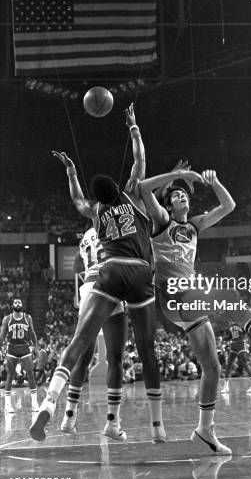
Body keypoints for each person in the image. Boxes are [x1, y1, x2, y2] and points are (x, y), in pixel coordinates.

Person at [139, 167, 251, 456]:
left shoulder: (194, 226)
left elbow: (229, 206)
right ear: (169, 205)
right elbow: (143, 187)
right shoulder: (162, 221)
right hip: (171, 296)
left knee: (213, 368)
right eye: (176, 195)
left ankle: (205, 431)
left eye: (184, 194)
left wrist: (215, 182)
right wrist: (178, 173)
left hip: (191, 300)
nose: (182, 196)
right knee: (227, 293)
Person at [30, 104, 165, 442]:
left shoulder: (94, 211)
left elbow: (76, 199)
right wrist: (134, 129)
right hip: (136, 272)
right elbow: (140, 162)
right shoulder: (130, 195)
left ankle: (52, 402)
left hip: (101, 276)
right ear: (117, 188)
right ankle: (153, 427)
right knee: (138, 351)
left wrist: (72, 172)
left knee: (80, 345)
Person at [59, 225, 128, 441]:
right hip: (109, 285)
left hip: (87, 288)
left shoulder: (86, 237)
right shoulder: (117, 226)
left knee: (83, 357)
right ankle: (113, 422)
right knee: (115, 359)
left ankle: (69, 416)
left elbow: (78, 267)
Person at [0, 298, 39, 413]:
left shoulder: (28, 318)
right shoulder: (7, 318)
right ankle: (7, 405)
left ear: (22, 305)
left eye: (19, 302)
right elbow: (2, 335)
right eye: (15, 302)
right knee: (10, 376)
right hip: (11, 348)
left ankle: (34, 404)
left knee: (30, 374)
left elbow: (32, 333)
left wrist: (36, 346)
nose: (17, 304)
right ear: (12, 305)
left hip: (25, 347)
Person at [221, 321, 251, 394]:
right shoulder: (230, 324)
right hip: (233, 345)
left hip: (241, 344)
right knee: (228, 364)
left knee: (244, 362)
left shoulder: (241, 321)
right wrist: (224, 339)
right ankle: (226, 387)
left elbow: (249, 333)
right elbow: (230, 336)